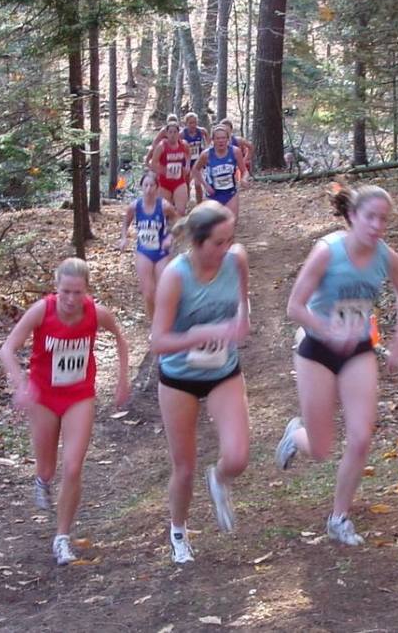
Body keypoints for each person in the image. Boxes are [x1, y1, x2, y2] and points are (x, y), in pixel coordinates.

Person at [275, 185, 398, 546]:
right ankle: (295, 435)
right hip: (316, 348)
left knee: (361, 437)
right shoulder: (327, 251)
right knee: (321, 448)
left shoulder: (387, 257)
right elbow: (294, 307)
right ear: (353, 216)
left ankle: (339, 517)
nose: (377, 225)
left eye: (384, 219)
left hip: (358, 350)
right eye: (371, 217)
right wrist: (327, 329)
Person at [0, 258, 129, 566]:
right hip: (43, 395)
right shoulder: (41, 311)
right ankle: (42, 480)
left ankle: (62, 538)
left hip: (78, 395)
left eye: (78, 292)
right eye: (66, 292)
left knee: (72, 467)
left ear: (87, 291)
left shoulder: (96, 314)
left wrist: (124, 379)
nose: (71, 300)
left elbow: (121, 339)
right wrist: (21, 385)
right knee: (47, 468)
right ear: (56, 288)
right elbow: (7, 348)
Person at [150, 201, 251, 564]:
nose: (227, 248)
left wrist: (241, 320)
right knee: (185, 467)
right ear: (197, 242)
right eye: (219, 243)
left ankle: (220, 479)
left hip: (224, 369)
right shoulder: (176, 276)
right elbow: (158, 341)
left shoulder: (236, 259)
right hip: (179, 377)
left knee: (238, 457)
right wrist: (202, 333)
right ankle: (178, 531)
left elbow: (242, 303)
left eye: (230, 240)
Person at [118, 170, 179, 322]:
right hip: (143, 251)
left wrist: (170, 237)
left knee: (163, 290)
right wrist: (124, 238)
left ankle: (167, 319)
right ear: (141, 187)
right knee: (148, 293)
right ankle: (155, 325)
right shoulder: (134, 206)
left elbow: (179, 222)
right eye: (145, 185)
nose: (148, 189)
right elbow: (126, 222)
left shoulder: (164, 206)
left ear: (157, 188)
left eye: (152, 185)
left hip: (161, 252)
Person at [191, 125, 248, 220]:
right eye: (217, 138)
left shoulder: (235, 151)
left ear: (228, 139)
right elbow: (195, 170)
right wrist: (205, 185)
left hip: (230, 193)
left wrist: (244, 179)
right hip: (212, 194)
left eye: (223, 138)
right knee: (211, 227)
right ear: (213, 140)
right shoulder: (206, 154)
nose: (221, 141)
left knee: (231, 223)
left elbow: (244, 171)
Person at [152, 121, 191, 215]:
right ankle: (167, 229)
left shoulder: (184, 144)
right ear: (166, 134)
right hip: (164, 183)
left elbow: (188, 155)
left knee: (181, 212)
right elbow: (153, 163)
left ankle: (178, 228)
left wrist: (187, 166)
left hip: (179, 181)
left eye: (175, 132)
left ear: (178, 133)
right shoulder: (161, 146)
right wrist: (163, 171)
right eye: (170, 132)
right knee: (165, 213)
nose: (173, 135)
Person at [181, 112, 209, 203]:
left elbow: (208, 140)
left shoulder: (201, 131)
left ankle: (199, 204)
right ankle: (187, 202)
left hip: (198, 160)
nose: (193, 125)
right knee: (186, 183)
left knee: (197, 184)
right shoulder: (182, 134)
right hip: (186, 161)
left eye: (195, 122)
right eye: (190, 123)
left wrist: (207, 149)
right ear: (186, 123)